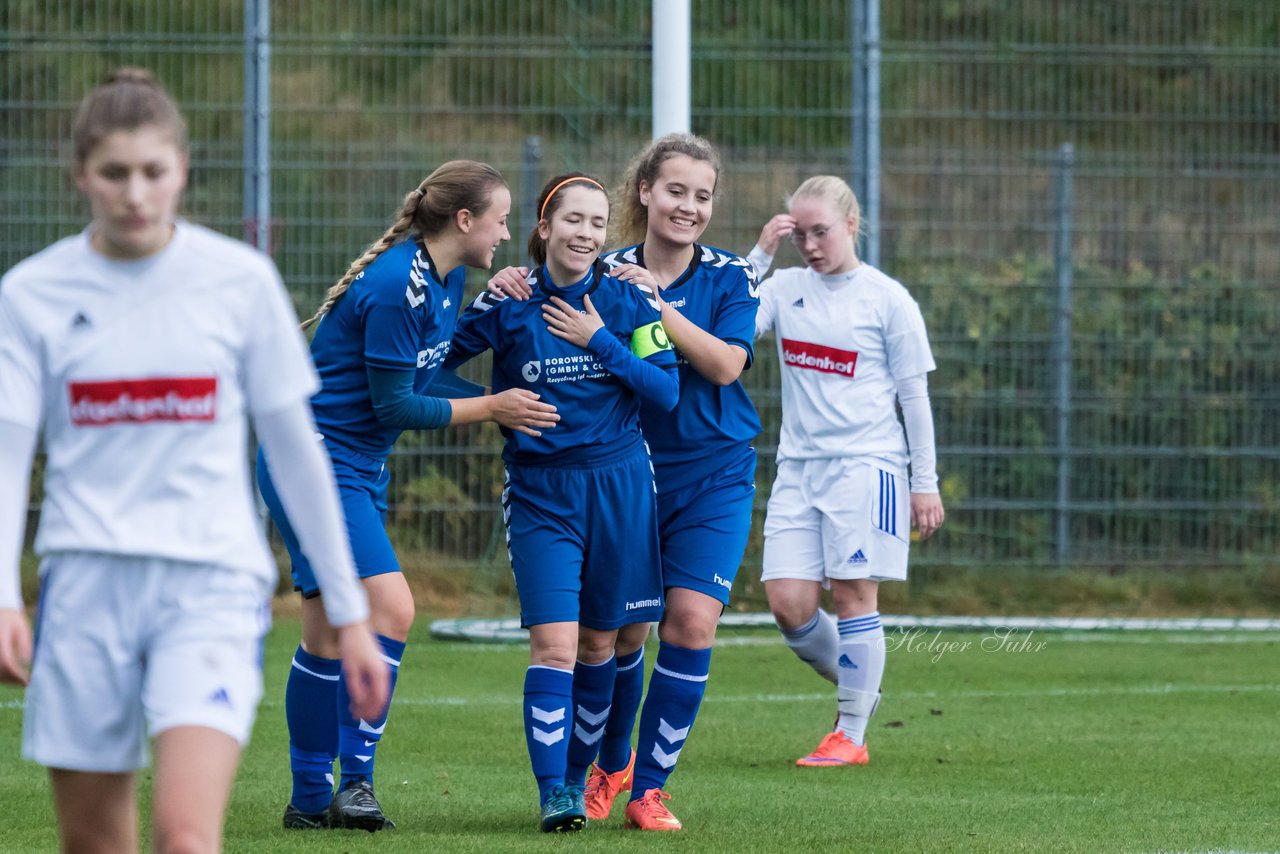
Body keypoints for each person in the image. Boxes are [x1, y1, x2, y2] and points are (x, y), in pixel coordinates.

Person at [0, 68, 390, 854]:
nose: (135, 194)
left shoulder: (238, 283)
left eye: (154, 172)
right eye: (114, 173)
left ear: (182, 169)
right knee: (96, 845)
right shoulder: (31, 293)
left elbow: (298, 452)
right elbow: (7, 454)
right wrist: (4, 593)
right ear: (81, 176)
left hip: (210, 583)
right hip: (86, 584)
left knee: (185, 838)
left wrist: (349, 611)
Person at [257, 161, 559, 831]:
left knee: (329, 631)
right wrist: (494, 406)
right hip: (313, 463)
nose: (506, 235)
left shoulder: (444, 280)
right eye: (501, 219)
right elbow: (397, 407)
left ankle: (310, 801)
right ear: (464, 220)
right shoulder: (400, 285)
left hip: (350, 465)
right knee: (394, 605)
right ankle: (356, 784)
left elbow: (421, 384)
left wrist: (496, 392)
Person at [486, 133, 762, 831]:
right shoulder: (597, 267)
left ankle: (649, 790)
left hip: (712, 474)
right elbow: (541, 294)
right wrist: (506, 282)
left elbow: (726, 367)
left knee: (690, 623)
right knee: (618, 638)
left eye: (702, 196)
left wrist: (656, 305)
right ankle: (606, 768)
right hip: (624, 479)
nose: (688, 207)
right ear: (643, 190)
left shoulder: (730, 277)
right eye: (675, 190)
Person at [443, 172, 679, 832]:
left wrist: (596, 339)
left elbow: (664, 393)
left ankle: (583, 778)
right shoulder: (508, 302)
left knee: (601, 645)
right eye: (572, 219)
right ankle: (555, 793)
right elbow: (427, 366)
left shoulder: (628, 299)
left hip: (619, 487)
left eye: (598, 223)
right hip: (543, 494)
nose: (586, 233)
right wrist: (488, 406)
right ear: (543, 229)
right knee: (554, 645)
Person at [748, 175, 945, 767]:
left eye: (821, 232)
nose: (809, 244)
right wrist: (759, 255)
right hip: (798, 469)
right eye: (799, 233)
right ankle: (862, 685)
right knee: (788, 603)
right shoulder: (783, 288)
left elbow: (915, 399)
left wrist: (924, 481)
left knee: (857, 597)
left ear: (851, 226)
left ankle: (851, 734)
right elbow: (729, 319)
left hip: (868, 467)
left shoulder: (887, 299)